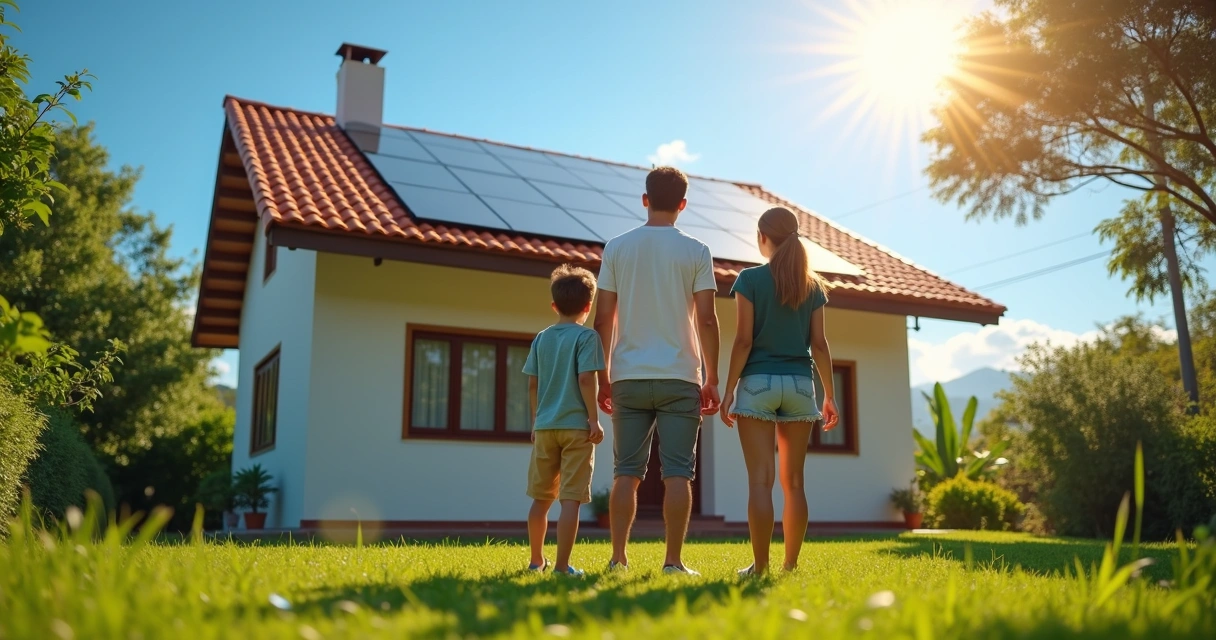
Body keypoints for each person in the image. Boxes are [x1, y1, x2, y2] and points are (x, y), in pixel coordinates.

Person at [594, 166, 720, 575]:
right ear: (683, 204)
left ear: (644, 199)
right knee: (678, 474)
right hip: (681, 376)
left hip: (627, 376)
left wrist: (603, 376)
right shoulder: (697, 251)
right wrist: (712, 377)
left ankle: (617, 559)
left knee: (625, 473)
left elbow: (603, 319)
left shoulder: (616, 247)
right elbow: (706, 319)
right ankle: (673, 562)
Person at [719, 206, 839, 576]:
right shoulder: (813, 286)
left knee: (760, 481)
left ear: (762, 237)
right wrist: (830, 395)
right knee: (795, 483)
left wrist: (728, 392)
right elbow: (819, 344)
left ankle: (760, 567)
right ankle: (789, 566)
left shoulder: (749, 280)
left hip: (757, 383)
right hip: (802, 386)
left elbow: (742, 341)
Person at [523, 264, 607, 577]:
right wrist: (594, 419)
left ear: (554, 306)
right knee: (570, 499)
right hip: (576, 428)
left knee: (541, 498)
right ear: (588, 307)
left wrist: (535, 421)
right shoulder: (587, 338)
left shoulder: (541, 338)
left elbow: (532, 383)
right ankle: (561, 566)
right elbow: (587, 379)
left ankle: (535, 561)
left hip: (544, 427)